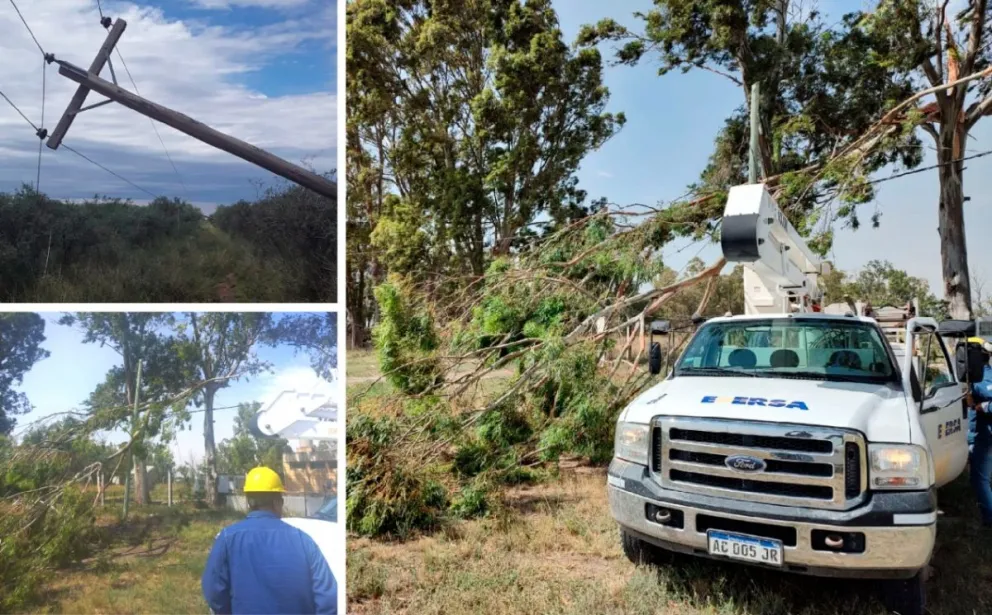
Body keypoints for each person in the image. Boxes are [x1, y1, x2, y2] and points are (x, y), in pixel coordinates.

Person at [201, 466, 338, 614]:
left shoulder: (227, 539)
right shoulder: (304, 541)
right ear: (278, 502)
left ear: (249, 502)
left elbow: (213, 592)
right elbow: (328, 598)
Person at [966, 337, 992, 528]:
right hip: (976, 434)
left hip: (985, 435)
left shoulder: (983, 378)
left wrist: (984, 406)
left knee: (980, 479)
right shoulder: (971, 379)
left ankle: (989, 519)